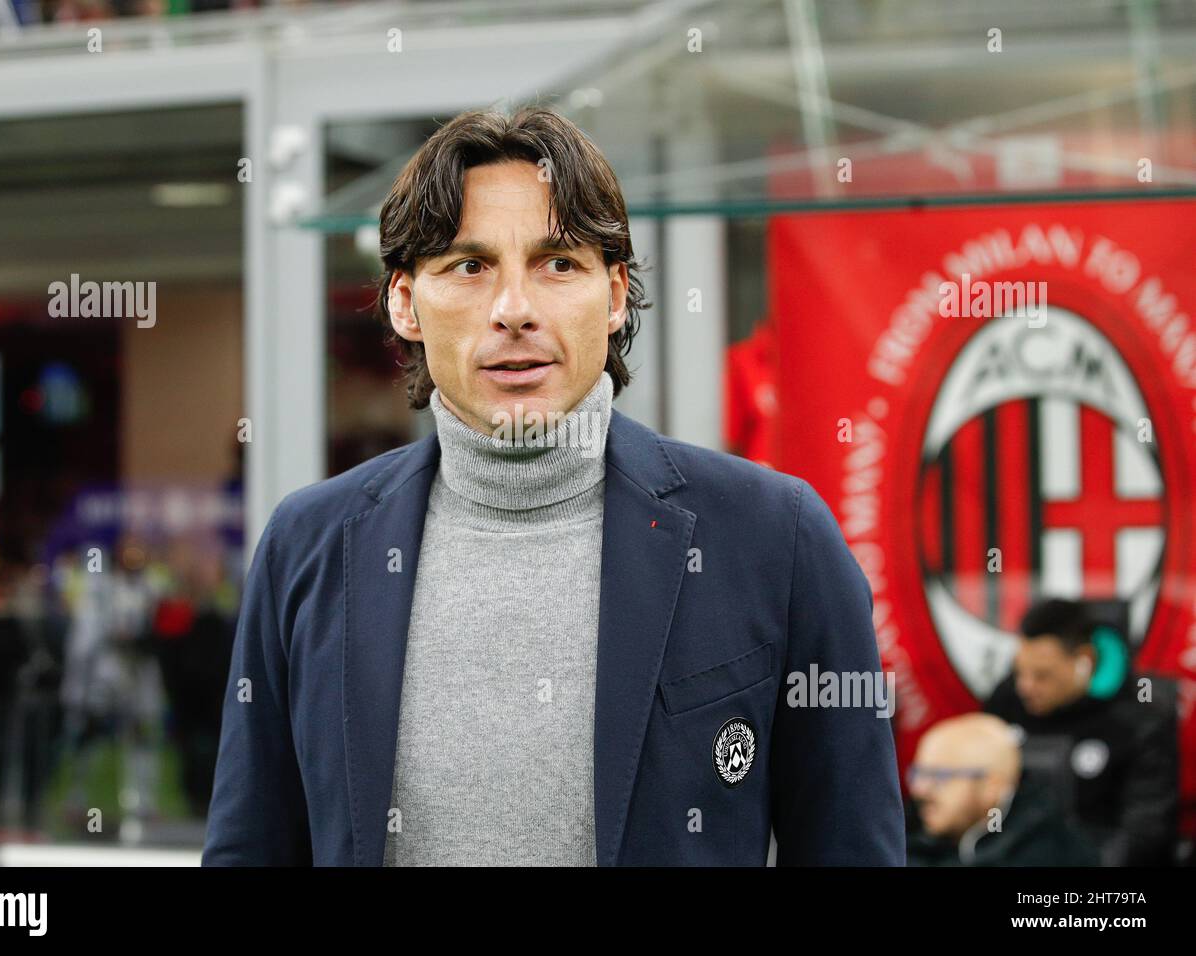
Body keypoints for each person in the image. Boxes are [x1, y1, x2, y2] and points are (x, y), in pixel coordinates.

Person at [203, 106, 904, 866]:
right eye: (469, 267)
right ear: (405, 303)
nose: (514, 311)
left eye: (558, 263)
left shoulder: (777, 539)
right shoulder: (309, 547)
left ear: (612, 295)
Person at [984, 597, 1178, 866]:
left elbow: (1146, 830)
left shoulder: (1138, 721)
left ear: (1083, 660)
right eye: (1020, 673)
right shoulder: (1007, 701)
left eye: (1042, 675)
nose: (1025, 687)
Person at [906, 713, 1099, 866]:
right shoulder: (908, 827)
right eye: (918, 773)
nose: (920, 790)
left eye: (940, 776)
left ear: (991, 787)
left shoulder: (1046, 848)